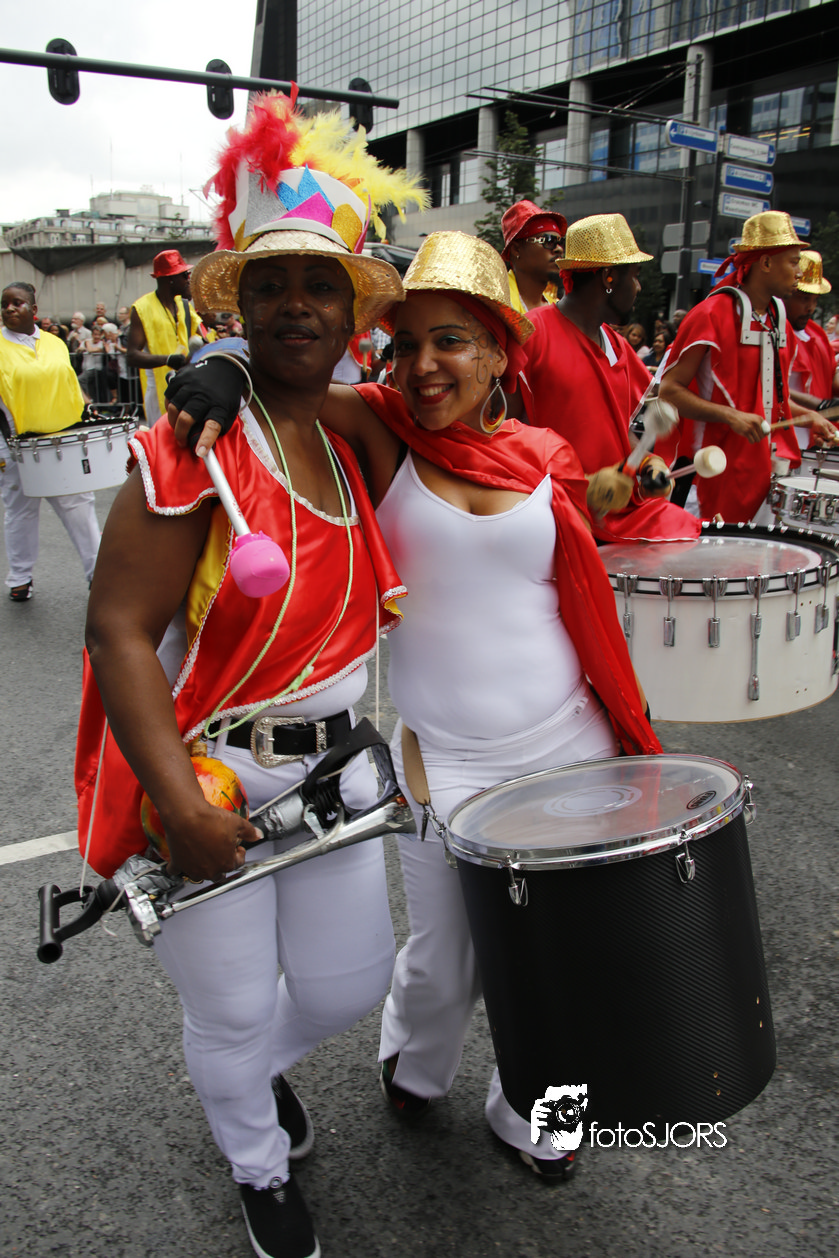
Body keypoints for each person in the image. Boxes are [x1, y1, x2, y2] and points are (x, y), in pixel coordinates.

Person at [168, 231, 662, 1184]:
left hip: (569, 742)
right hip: (447, 759)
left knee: (558, 960)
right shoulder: (382, 430)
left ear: (498, 355)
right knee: (445, 957)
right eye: (406, 345)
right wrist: (223, 363)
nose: (424, 364)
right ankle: (415, 1058)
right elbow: (288, 376)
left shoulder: (541, 455)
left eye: (451, 342)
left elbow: (575, 585)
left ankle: (536, 1113)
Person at [79, 92, 425, 1258]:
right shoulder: (192, 447)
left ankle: (243, 1074)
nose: (296, 305)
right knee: (227, 1006)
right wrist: (177, 804)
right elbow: (117, 630)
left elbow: (464, 401)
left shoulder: (356, 429)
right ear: (241, 301)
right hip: (212, 770)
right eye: (270, 286)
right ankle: (256, 1162)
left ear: (352, 312)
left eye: (321, 286)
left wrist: (224, 361)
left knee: (345, 985)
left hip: (335, 774)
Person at [513, 213, 701, 542]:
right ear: (608, 277)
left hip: (618, 514)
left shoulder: (618, 345)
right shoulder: (533, 334)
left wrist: (647, 464)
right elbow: (501, 436)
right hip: (556, 516)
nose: (639, 287)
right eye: (635, 276)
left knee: (689, 535)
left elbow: (622, 431)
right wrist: (579, 486)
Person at [659, 212, 838, 523]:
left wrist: (809, 418)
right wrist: (730, 415)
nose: (799, 272)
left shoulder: (777, 317)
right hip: (705, 474)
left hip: (758, 475)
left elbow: (770, 401)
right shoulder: (710, 314)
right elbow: (669, 391)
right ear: (765, 263)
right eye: (793, 262)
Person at [0, 281, 100, 600]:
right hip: (15, 443)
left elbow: (69, 385)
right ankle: (20, 577)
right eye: (4, 304)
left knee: (78, 504)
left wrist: (87, 409)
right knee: (21, 509)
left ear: (33, 309)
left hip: (61, 440)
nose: (9, 309)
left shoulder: (55, 343)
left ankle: (98, 574)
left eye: (17, 303)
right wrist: (9, 440)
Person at [126, 249, 202, 422]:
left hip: (187, 386)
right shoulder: (142, 308)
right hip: (159, 392)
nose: (188, 280)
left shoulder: (184, 305)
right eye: (184, 275)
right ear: (170, 279)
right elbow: (132, 356)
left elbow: (202, 340)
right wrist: (168, 360)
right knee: (162, 438)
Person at [785, 251, 838, 421]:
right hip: (782, 432)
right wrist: (819, 404)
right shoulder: (771, 331)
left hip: (816, 434)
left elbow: (832, 377)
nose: (811, 308)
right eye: (804, 298)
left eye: (815, 300)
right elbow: (768, 388)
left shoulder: (818, 334)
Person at [500, 200, 566, 313]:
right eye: (549, 241)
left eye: (561, 242)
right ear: (516, 249)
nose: (559, 249)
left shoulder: (557, 309)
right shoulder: (497, 304)